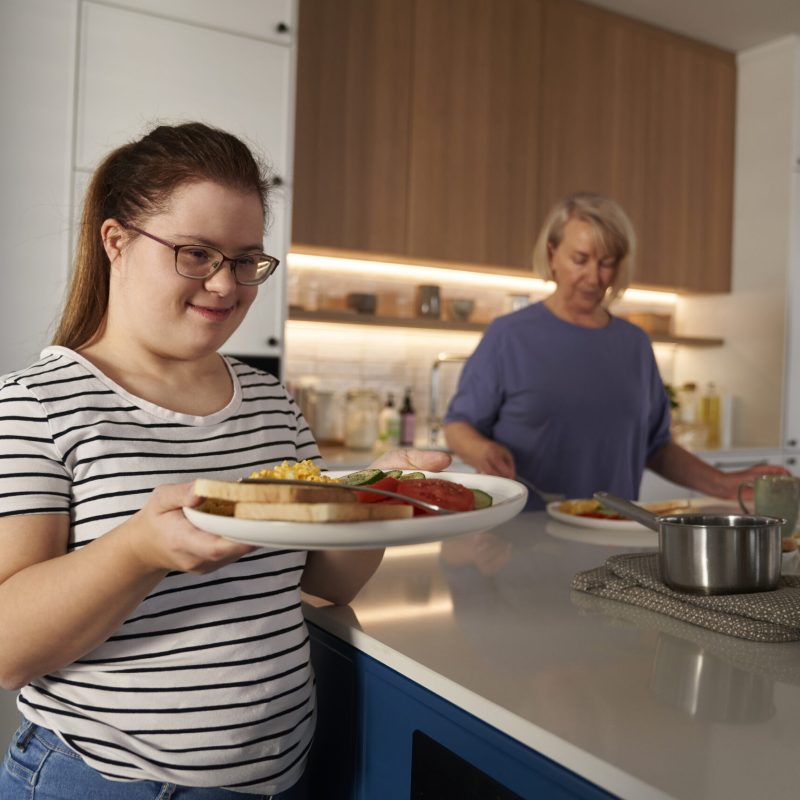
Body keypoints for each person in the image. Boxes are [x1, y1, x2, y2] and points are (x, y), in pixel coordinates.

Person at [0, 122, 450, 800]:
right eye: (195, 253)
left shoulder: (270, 402)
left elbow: (329, 583)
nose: (224, 284)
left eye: (246, 261)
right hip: (108, 784)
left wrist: (382, 496)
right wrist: (138, 550)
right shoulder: (37, 403)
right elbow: (9, 651)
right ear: (116, 242)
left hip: (277, 780)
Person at [443, 191, 784, 510]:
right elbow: (459, 425)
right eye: (580, 259)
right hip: (520, 534)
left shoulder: (634, 344)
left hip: (611, 531)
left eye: (607, 262)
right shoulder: (509, 336)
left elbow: (656, 447)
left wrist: (724, 485)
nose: (594, 276)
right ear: (552, 255)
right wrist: (481, 449)